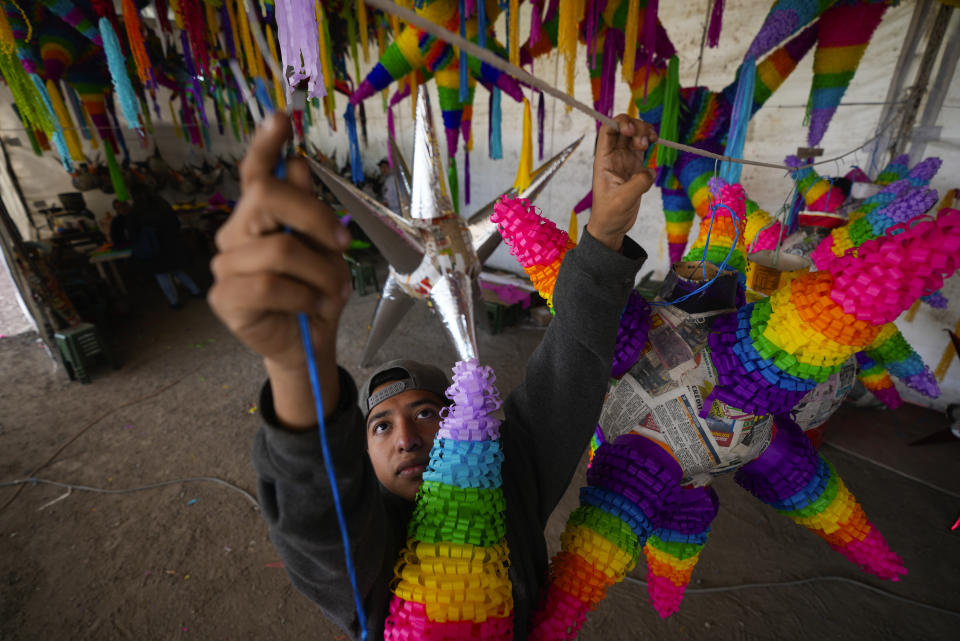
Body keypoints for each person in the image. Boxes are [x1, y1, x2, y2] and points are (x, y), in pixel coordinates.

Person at [208, 112, 658, 640]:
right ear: (364, 459)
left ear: (458, 429)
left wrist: (604, 234)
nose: (406, 439)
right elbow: (318, 522)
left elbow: (571, 367)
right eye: (380, 426)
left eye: (426, 413)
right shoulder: (365, 561)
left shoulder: (510, 483)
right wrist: (294, 368)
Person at [128, 185, 203, 309]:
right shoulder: (161, 203)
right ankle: (196, 291)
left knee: (162, 276)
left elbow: (133, 234)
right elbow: (175, 221)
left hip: (152, 249)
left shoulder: (135, 211)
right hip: (170, 244)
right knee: (177, 270)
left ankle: (175, 302)